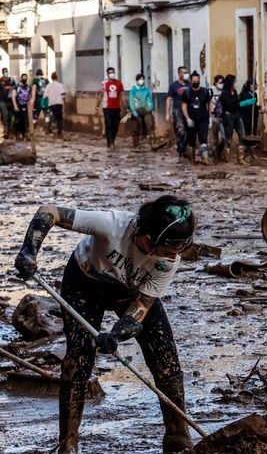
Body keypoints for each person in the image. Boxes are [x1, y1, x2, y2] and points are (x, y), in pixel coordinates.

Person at [14, 195, 197, 453]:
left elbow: (141, 307)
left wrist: (116, 334)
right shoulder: (111, 225)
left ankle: (178, 440)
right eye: (168, 251)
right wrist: (29, 250)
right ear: (148, 240)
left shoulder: (170, 261)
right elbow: (50, 211)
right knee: (79, 360)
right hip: (85, 282)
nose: (173, 257)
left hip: (131, 292)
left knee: (166, 359)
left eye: (178, 251)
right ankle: (68, 444)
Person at [216, 74, 248, 164]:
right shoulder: (224, 93)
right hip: (228, 116)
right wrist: (238, 102)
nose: (235, 83)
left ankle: (241, 157)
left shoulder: (234, 91)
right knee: (228, 136)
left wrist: (241, 103)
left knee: (242, 134)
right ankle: (227, 156)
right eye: (234, 81)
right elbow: (229, 104)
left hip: (237, 115)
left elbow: (236, 104)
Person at [184, 72, 212, 165]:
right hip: (191, 120)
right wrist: (187, 118)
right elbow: (183, 106)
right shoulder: (187, 92)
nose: (196, 82)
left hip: (203, 119)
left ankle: (204, 158)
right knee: (191, 140)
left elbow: (208, 104)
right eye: (194, 81)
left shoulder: (204, 91)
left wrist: (210, 117)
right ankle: (192, 159)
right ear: (191, 81)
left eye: (197, 81)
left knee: (203, 139)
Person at [166, 67, 190, 160]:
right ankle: (181, 151)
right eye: (184, 73)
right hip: (177, 109)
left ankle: (187, 149)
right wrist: (167, 113)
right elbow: (169, 99)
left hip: (189, 110)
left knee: (188, 130)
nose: (186, 74)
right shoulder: (173, 86)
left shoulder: (190, 85)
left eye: (187, 72)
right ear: (180, 74)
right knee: (180, 130)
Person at [100, 68, 125, 150]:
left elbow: (122, 95)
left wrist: (126, 106)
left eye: (113, 72)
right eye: (110, 73)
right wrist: (97, 105)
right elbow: (101, 94)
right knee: (109, 124)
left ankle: (112, 140)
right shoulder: (104, 83)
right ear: (107, 74)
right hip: (107, 107)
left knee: (115, 125)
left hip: (116, 107)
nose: (112, 74)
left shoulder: (119, 83)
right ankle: (110, 142)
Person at [129, 73, 155, 149]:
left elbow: (149, 99)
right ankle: (135, 145)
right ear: (137, 80)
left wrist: (150, 108)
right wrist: (133, 110)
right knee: (135, 128)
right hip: (136, 110)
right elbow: (131, 101)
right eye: (140, 79)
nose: (142, 81)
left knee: (150, 125)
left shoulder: (146, 89)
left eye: (143, 79)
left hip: (146, 110)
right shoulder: (133, 90)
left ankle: (152, 144)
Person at [239, 79, 259, 162]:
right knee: (247, 132)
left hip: (253, 116)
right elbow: (241, 104)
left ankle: (252, 151)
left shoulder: (255, 94)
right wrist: (250, 103)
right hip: (246, 116)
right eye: (255, 84)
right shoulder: (245, 94)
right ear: (250, 85)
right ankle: (245, 152)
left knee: (253, 132)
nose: (256, 85)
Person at [12, 73, 34, 139]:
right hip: (18, 105)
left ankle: (24, 134)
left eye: (26, 78)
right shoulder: (16, 86)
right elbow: (13, 96)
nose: (24, 79)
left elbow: (30, 96)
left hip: (25, 106)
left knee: (25, 120)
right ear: (21, 78)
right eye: (23, 77)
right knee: (17, 120)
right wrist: (15, 105)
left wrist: (31, 104)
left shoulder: (28, 87)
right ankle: (16, 134)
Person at [46, 72, 67, 137]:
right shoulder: (60, 85)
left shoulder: (49, 85)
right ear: (57, 78)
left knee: (53, 118)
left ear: (51, 78)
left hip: (52, 103)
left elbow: (45, 95)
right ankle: (59, 132)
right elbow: (63, 95)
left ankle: (53, 131)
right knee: (59, 118)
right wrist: (63, 100)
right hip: (59, 103)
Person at [0, 67, 14, 137]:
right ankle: (5, 131)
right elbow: (3, 88)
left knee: (10, 116)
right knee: (4, 115)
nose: (6, 73)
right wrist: (8, 87)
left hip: (10, 101)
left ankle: (10, 130)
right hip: (2, 101)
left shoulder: (11, 80)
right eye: (5, 72)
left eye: (7, 71)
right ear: (3, 73)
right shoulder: (0, 80)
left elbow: (14, 87)